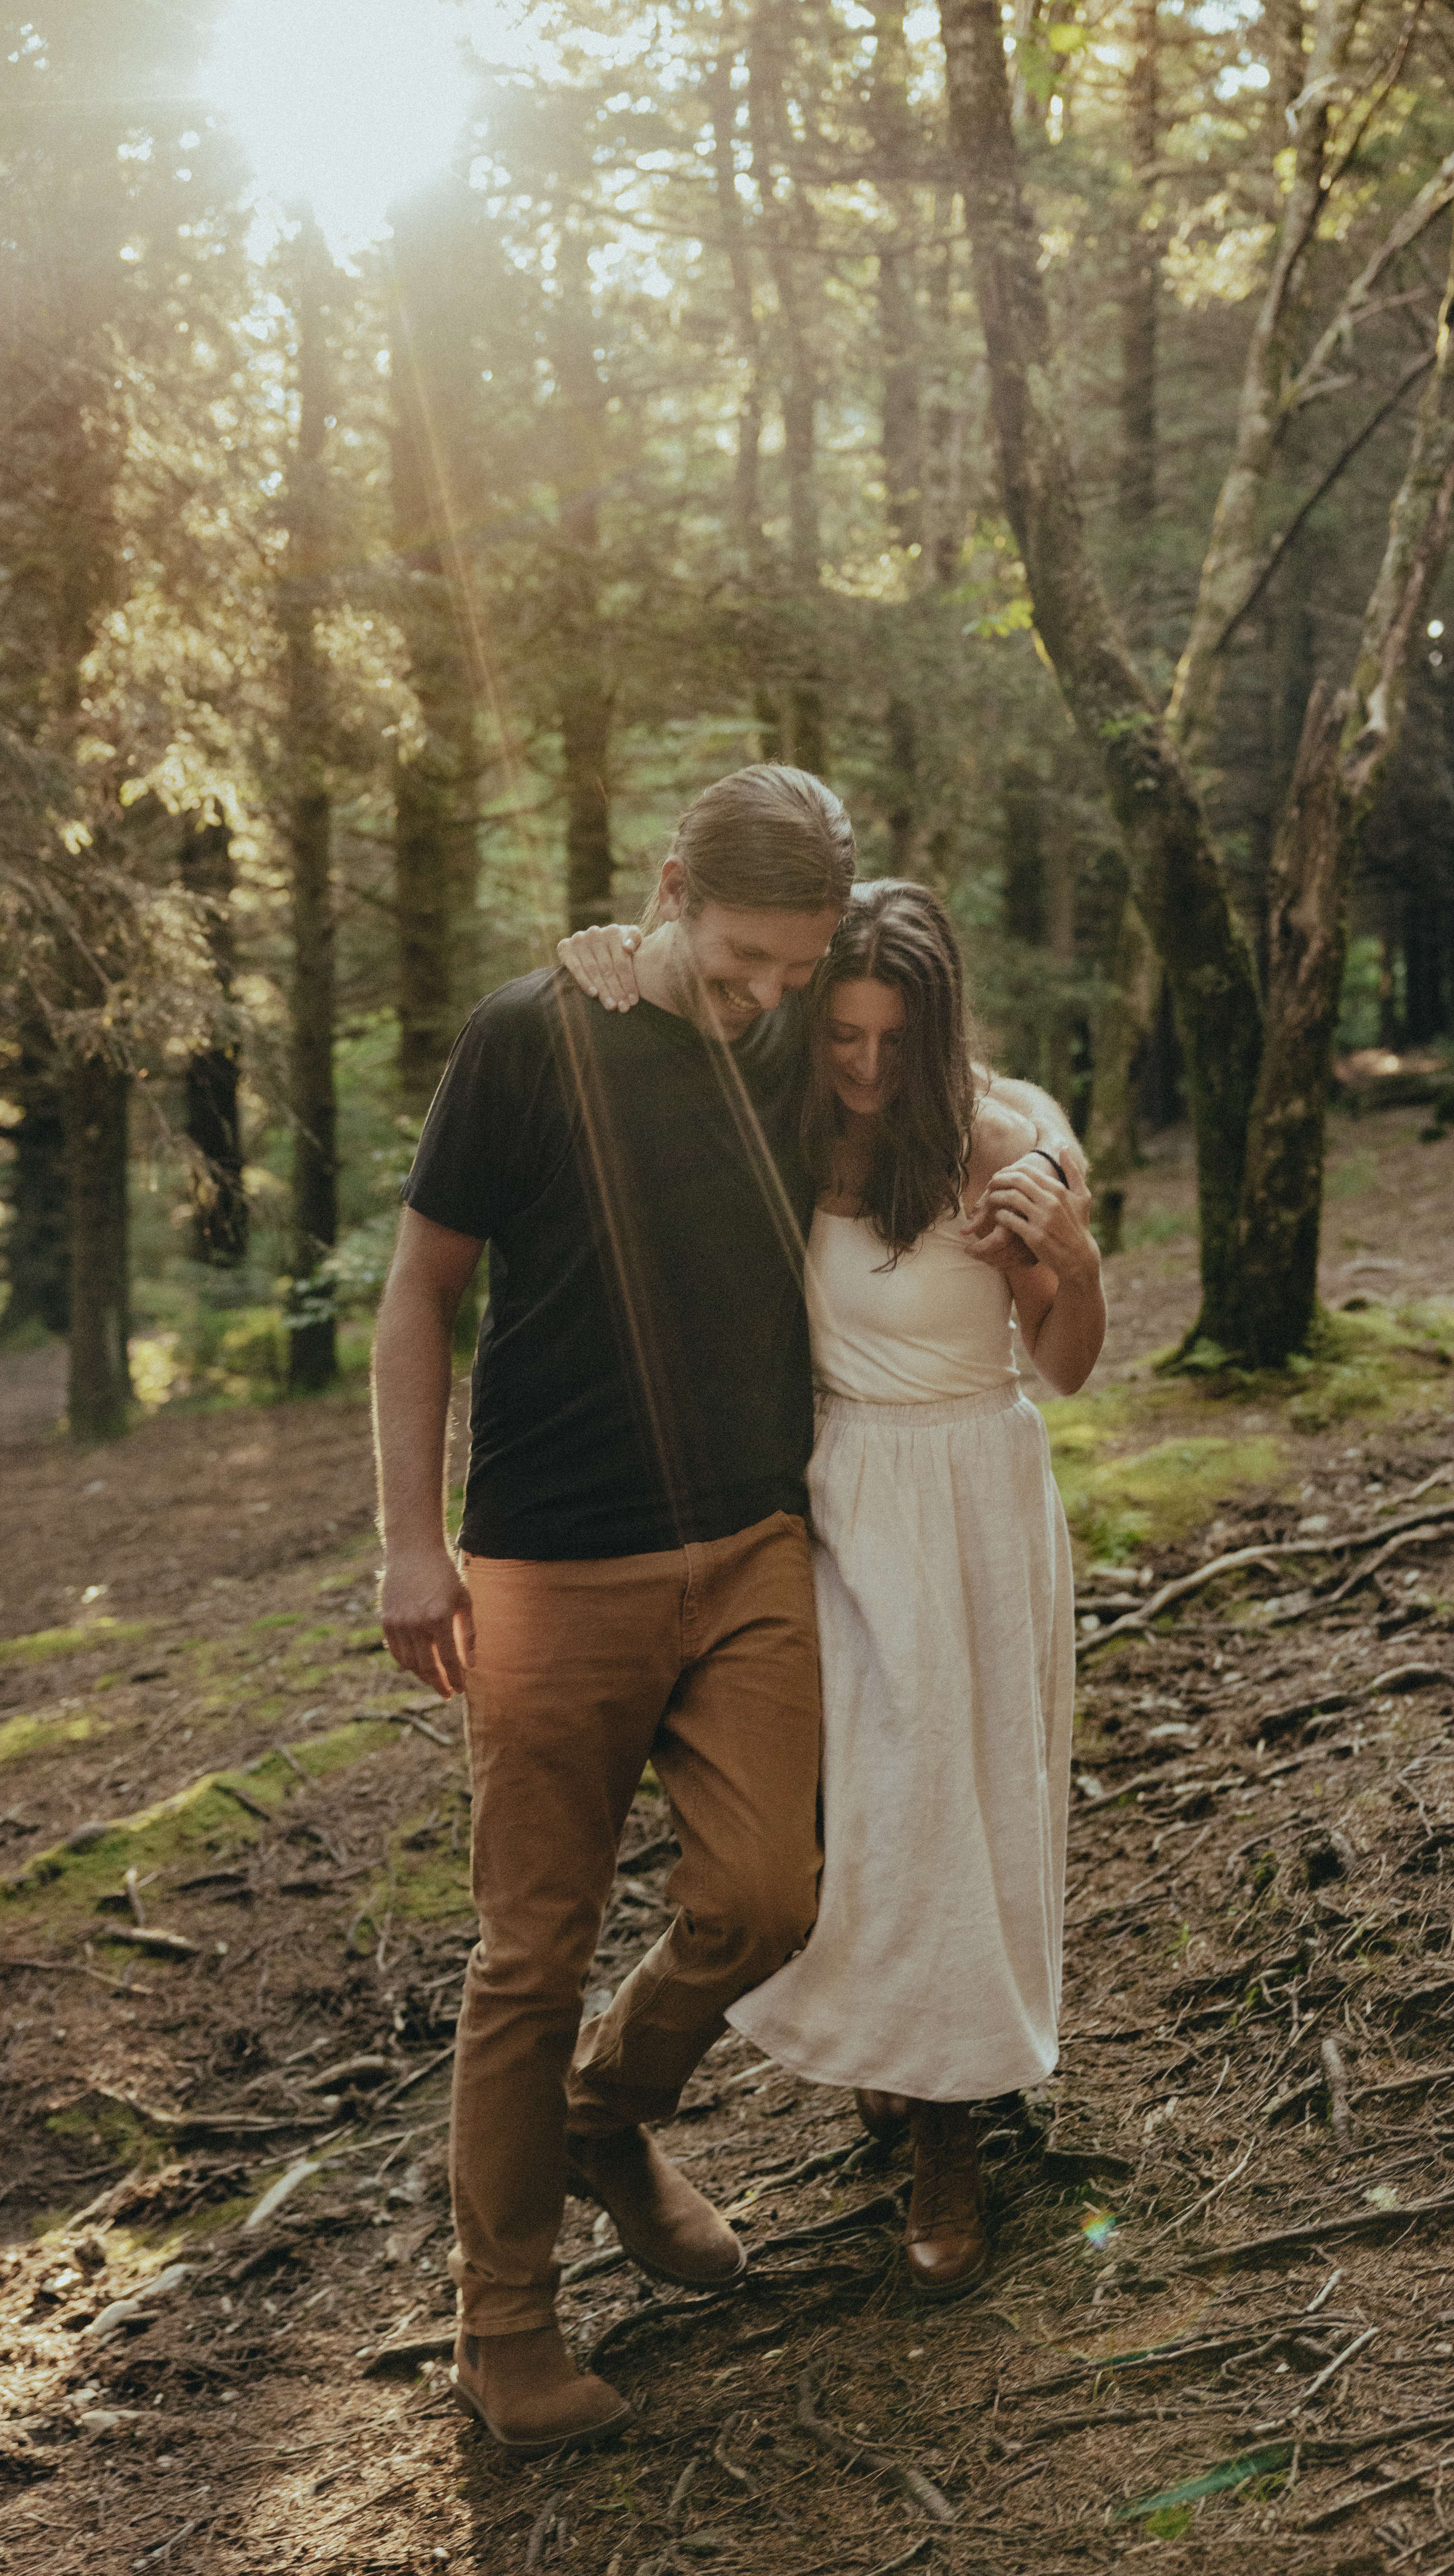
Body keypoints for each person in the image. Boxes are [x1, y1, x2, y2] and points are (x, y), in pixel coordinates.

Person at [374, 764, 851, 2457]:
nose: (766, 996)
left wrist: (1056, 1169)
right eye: (738, 960)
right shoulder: (527, 1036)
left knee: (767, 1895)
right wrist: (409, 1542)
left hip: (749, 1545)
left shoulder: (797, 1023)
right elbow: (420, 1289)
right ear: (665, 889)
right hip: (551, 1565)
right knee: (531, 1952)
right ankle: (501, 2323)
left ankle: (608, 2109)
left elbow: (940, 1046)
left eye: (794, 966)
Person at [557, 880, 1104, 2297]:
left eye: (893, 1042)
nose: (865, 1066)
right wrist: (616, 949)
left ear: (938, 1030)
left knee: (952, 1811)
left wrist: (1075, 1250)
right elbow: (681, 998)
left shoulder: (999, 1143)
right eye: (844, 1034)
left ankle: (949, 2136)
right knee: (853, 1820)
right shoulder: (781, 1117)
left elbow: (1067, 1363)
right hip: (834, 1497)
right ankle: (889, 2048)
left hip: (972, 1498)